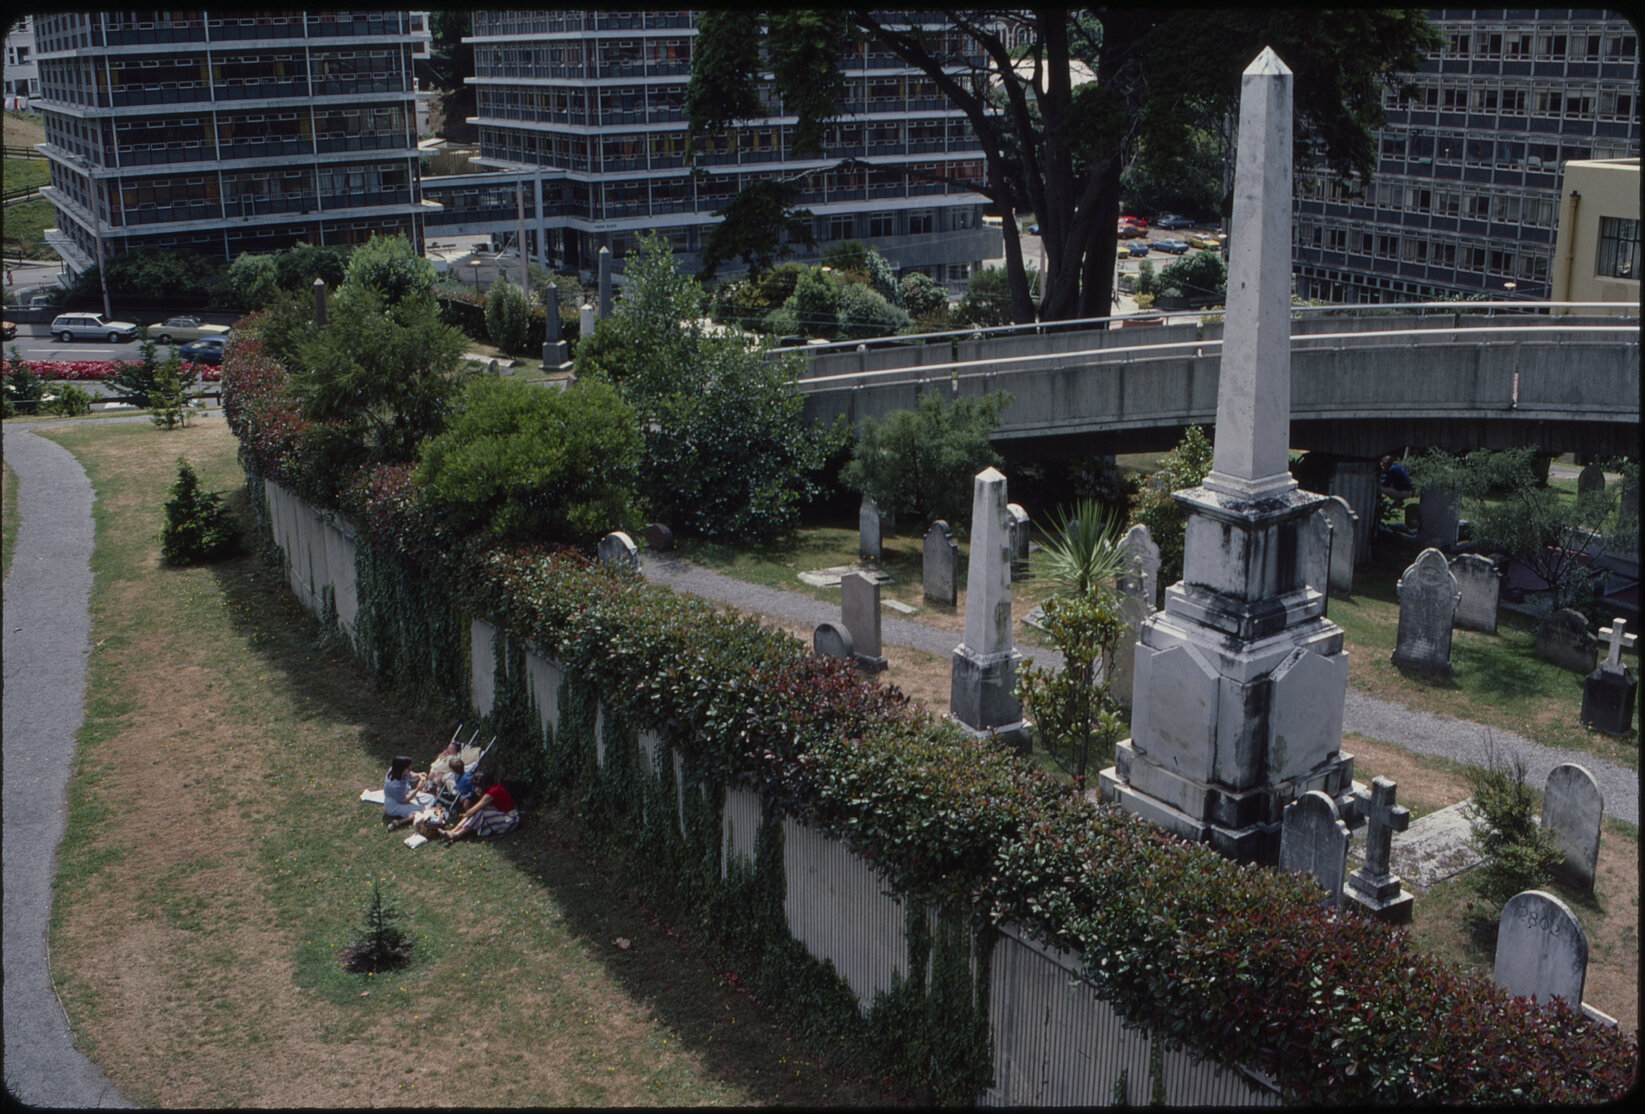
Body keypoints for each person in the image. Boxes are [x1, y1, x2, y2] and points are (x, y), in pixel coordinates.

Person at [439, 771, 518, 840]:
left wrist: (466, 813)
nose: (476, 789)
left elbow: (473, 810)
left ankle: (458, 834)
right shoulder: (492, 788)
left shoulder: (492, 792)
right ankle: (453, 831)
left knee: (480, 811)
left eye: (477, 786)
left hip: (510, 820)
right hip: (502, 814)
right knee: (478, 811)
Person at [382, 755, 435, 825]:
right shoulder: (395, 785)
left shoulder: (399, 770)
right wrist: (417, 789)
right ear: (402, 768)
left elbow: (410, 775)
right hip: (395, 805)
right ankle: (399, 822)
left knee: (431, 798)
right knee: (423, 809)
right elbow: (405, 801)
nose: (410, 768)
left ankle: (413, 812)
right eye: (408, 767)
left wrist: (418, 775)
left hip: (406, 794)